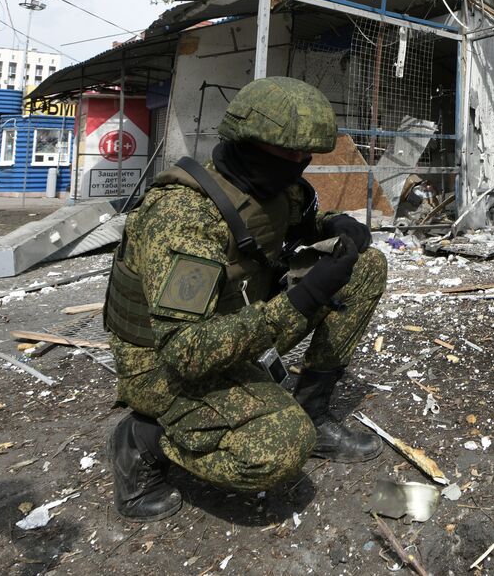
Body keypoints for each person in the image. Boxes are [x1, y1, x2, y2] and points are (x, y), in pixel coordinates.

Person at [103, 77, 387, 521]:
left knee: (366, 265)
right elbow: (185, 352)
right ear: (248, 143)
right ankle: (143, 438)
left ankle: (313, 408)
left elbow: (297, 219)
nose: (297, 164)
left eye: (303, 155)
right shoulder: (185, 216)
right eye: (286, 153)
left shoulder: (272, 189)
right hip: (161, 362)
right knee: (279, 450)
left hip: (232, 325)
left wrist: (336, 226)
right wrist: (303, 299)